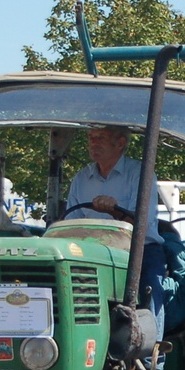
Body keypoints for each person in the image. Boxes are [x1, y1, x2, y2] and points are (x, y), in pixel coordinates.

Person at [64, 125, 167, 337]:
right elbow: (71, 224)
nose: (93, 143)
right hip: (93, 254)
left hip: (138, 250)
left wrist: (115, 211)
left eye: (100, 137)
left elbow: (143, 222)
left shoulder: (140, 174)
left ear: (120, 143)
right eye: (91, 138)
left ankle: (150, 355)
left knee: (150, 286)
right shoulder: (81, 178)